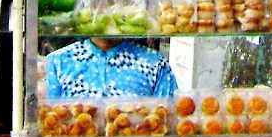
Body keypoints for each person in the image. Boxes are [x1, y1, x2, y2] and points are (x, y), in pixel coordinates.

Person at [46, 37, 178, 99]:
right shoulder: (58, 61)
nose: (104, 11)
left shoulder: (155, 63)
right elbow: (48, 124)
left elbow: (167, 123)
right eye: (96, 3)